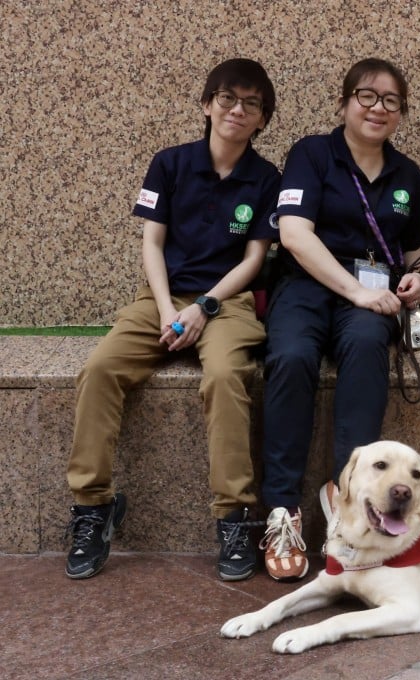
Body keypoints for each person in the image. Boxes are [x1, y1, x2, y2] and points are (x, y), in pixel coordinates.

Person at [64, 58, 280, 581]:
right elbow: (152, 242)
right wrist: (166, 310)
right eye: (227, 98)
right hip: (159, 298)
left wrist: (202, 308)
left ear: (262, 120)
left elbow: (253, 261)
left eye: (251, 104)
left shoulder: (267, 177)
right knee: (99, 369)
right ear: (207, 105)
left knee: (227, 377)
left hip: (226, 302)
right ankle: (93, 508)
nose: (237, 110)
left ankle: (233, 518)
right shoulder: (170, 163)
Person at [258, 58, 420, 582]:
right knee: (288, 356)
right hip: (308, 287)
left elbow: (419, 248)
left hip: (373, 299)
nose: (378, 108)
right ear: (344, 103)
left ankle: (349, 508)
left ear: (401, 113)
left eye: (391, 101)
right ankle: (282, 512)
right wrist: (354, 289)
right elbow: (294, 234)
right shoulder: (312, 154)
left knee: (365, 350)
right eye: (367, 96)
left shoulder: (408, 175)